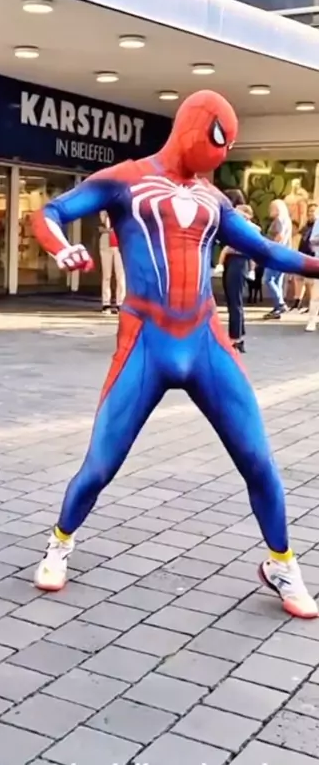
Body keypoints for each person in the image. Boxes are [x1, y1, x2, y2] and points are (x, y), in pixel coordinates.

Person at [31, 89, 319, 620]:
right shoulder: (126, 180)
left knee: (259, 460)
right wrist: (61, 247)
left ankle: (281, 563)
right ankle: (59, 542)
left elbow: (267, 250)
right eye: (219, 140)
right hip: (146, 342)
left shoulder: (214, 202)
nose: (222, 153)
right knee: (100, 464)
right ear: (193, 127)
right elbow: (50, 211)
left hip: (205, 341)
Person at [216, 204, 254, 353]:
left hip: (239, 261)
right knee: (232, 300)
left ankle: (235, 338)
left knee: (235, 301)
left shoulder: (249, 228)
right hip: (230, 261)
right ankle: (238, 336)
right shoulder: (236, 227)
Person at [263, 199, 292, 320]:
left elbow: (279, 236)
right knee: (277, 281)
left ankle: (280, 304)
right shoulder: (286, 220)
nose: (270, 210)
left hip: (276, 254)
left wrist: (271, 249)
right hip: (284, 254)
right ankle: (277, 308)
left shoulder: (279, 220)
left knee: (268, 280)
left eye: (272, 207)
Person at [291, 202, 317, 313]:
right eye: (309, 211)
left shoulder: (317, 226)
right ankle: (297, 302)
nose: (310, 214)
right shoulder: (306, 226)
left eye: (313, 211)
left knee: (311, 282)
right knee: (299, 279)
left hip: (313, 256)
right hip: (302, 255)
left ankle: (312, 305)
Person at [98, 210, 125, 314]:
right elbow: (102, 226)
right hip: (106, 243)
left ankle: (120, 303)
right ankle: (106, 303)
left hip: (119, 243)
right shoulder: (103, 211)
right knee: (106, 275)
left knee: (120, 275)